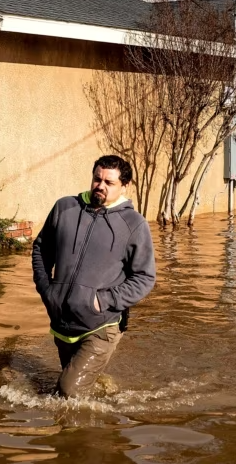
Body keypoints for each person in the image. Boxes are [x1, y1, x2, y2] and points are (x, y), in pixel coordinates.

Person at [31, 155, 156, 398]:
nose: (100, 185)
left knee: (68, 391)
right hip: (61, 322)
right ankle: (101, 396)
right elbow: (41, 249)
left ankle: (84, 434)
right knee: (73, 385)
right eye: (97, 179)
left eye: (109, 182)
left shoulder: (134, 224)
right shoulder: (65, 207)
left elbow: (144, 277)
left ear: (124, 186)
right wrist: (47, 289)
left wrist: (103, 301)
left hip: (101, 324)